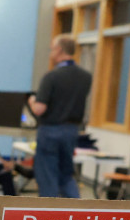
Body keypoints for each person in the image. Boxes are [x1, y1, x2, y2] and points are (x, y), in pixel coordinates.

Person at [27, 35, 91, 198]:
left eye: (51, 49)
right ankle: (76, 215)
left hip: (50, 131)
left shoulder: (51, 76)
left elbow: (39, 109)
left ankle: (48, 218)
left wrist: (32, 100)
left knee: (47, 176)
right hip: (71, 130)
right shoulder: (85, 77)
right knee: (66, 175)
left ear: (59, 50)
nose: (50, 53)